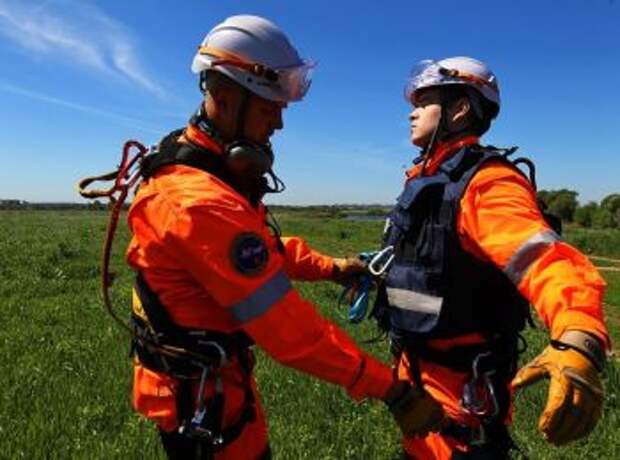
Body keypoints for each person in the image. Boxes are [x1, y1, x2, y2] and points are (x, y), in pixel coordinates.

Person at [126, 15, 443, 460]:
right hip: (206, 414)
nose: (278, 123)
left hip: (218, 391)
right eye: (268, 105)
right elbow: (289, 331)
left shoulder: (210, 173)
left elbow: (266, 250)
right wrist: (392, 390)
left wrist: (335, 268)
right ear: (222, 93)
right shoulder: (198, 203)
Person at [372, 56, 609, 459]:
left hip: (462, 410)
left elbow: (546, 259)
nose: (411, 112)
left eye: (423, 101)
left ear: (459, 109)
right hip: (418, 390)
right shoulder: (429, 179)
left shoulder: (487, 184)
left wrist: (578, 334)